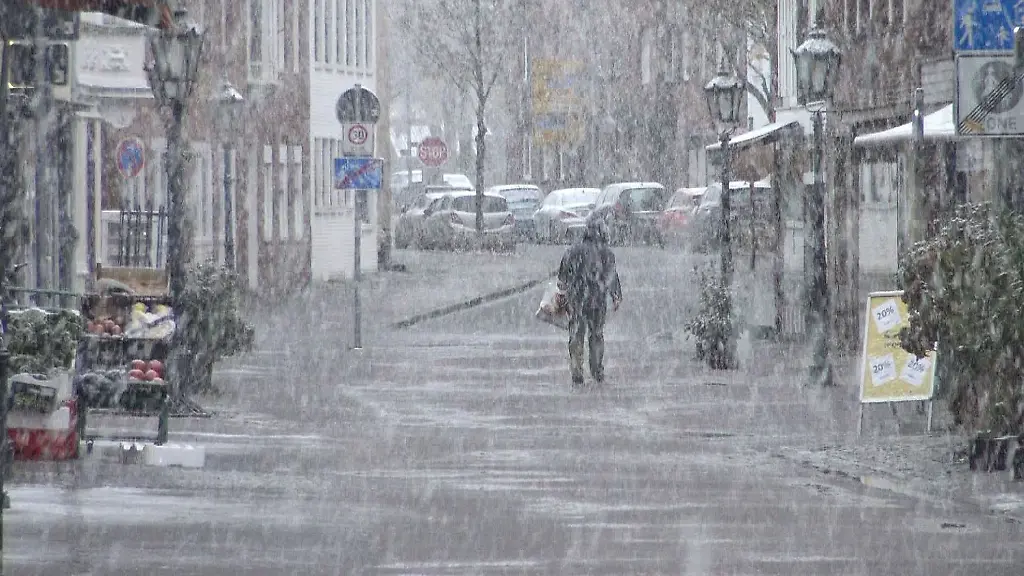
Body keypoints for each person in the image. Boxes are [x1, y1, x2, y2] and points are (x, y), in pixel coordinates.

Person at [557, 216, 622, 387]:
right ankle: (596, 369)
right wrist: (616, 296)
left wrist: (564, 294)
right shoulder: (606, 253)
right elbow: (612, 276)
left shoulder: (573, 251)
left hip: (576, 299)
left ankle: (577, 372)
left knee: (576, 335)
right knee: (596, 335)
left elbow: (562, 276)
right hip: (597, 300)